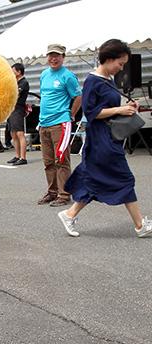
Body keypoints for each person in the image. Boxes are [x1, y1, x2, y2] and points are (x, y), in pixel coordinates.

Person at [58, 39, 152, 238]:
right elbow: (91, 112)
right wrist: (119, 109)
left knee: (93, 178)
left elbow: (107, 106)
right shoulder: (93, 80)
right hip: (100, 139)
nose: (122, 68)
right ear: (108, 59)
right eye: (120, 63)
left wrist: (127, 106)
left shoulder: (108, 78)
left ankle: (69, 214)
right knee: (124, 178)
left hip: (106, 137)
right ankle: (139, 225)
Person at [37, 44, 82, 207]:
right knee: (48, 161)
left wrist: (71, 114)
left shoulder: (68, 76)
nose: (53, 59)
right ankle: (52, 191)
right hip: (44, 123)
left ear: (63, 57)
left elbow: (78, 96)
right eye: (50, 55)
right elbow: (45, 96)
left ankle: (64, 194)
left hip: (60, 123)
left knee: (61, 159)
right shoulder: (44, 74)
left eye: (57, 56)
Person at [7, 63, 30, 166]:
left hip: (18, 109)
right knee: (13, 133)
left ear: (19, 72)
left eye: (13, 70)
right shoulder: (15, 82)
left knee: (20, 133)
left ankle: (23, 157)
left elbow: (16, 94)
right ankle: (17, 155)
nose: (12, 73)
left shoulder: (23, 82)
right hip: (12, 109)